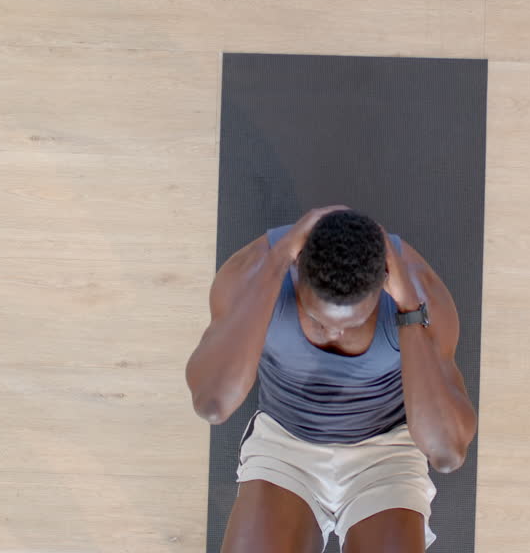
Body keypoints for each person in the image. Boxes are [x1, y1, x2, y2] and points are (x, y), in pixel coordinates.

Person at [186, 205, 477, 553]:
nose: (335, 330)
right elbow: (213, 403)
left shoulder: (419, 293)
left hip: (386, 454)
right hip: (286, 446)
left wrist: (408, 311)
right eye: (320, 319)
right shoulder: (256, 270)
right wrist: (277, 262)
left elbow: (446, 453)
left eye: (351, 322)